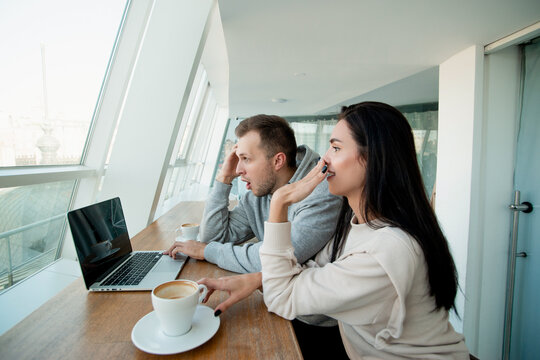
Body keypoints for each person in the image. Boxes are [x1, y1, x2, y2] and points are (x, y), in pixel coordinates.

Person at [255, 102, 469, 358]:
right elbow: (311, 270)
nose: (325, 160)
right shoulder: (358, 224)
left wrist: (280, 202)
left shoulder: (388, 249)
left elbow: (282, 296)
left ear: (372, 159)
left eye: (335, 148)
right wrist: (253, 281)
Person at [164, 114, 347, 357]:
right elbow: (214, 236)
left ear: (278, 160)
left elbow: (277, 259)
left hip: (313, 323)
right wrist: (224, 178)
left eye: (246, 159)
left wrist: (207, 251)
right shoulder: (259, 192)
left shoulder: (321, 191)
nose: (240, 169)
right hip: (274, 301)